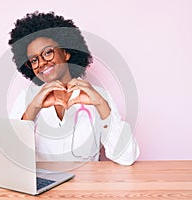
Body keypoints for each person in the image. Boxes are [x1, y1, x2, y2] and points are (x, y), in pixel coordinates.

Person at [8, 11, 139, 165]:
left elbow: (126, 157)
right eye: (34, 60)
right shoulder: (27, 98)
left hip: (86, 187)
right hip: (44, 186)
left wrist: (101, 105)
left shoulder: (99, 96)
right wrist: (33, 108)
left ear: (66, 52)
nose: (41, 63)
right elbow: (10, 158)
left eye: (48, 52)